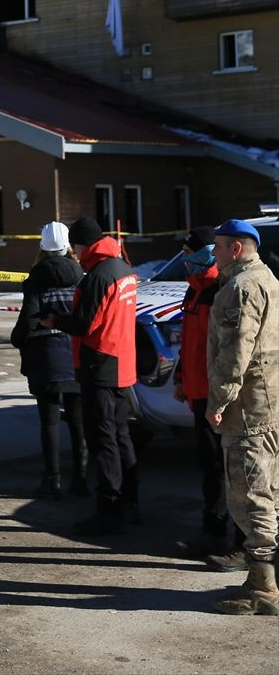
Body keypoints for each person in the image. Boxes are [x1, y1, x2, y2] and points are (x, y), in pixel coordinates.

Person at [41, 216, 138, 535]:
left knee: (103, 439)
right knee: (122, 436)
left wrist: (54, 319)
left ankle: (109, 509)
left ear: (83, 244)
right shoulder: (123, 268)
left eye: (76, 245)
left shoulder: (98, 275)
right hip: (123, 362)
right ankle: (130, 500)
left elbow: (85, 324)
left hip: (100, 366)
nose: (74, 252)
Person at [205, 218, 279, 615]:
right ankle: (264, 578)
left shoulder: (240, 288)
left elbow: (234, 354)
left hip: (248, 407)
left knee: (250, 493)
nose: (213, 254)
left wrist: (218, 400)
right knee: (269, 490)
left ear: (236, 248)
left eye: (218, 247)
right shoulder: (268, 278)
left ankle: (263, 589)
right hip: (269, 402)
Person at [171, 225, 243, 561]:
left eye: (188, 254)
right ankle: (212, 533)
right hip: (199, 393)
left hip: (221, 396)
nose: (184, 260)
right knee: (210, 468)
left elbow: (230, 350)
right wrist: (181, 380)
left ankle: (243, 544)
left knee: (231, 469)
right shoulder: (194, 290)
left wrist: (222, 394)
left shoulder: (221, 289)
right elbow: (189, 344)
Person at [11, 221, 87, 500]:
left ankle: (52, 480)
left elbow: (29, 318)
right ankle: (81, 479)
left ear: (42, 247)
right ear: (69, 246)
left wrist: (18, 339)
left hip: (45, 359)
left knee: (50, 422)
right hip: (75, 357)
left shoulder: (36, 279)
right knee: (79, 423)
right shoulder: (82, 275)